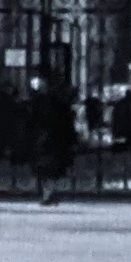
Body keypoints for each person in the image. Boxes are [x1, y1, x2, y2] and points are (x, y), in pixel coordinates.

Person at [22, 60, 79, 207]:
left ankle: (47, 193)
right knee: (46, 166)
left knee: (48, 166)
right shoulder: (43, 99)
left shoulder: (51, 99)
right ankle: (47, 193)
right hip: (46, 137)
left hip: (50, 137)